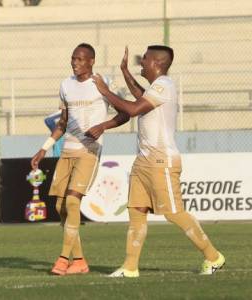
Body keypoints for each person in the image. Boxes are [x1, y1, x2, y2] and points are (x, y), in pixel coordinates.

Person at [91, 45, 225, 278]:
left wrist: (104, 91)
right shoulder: (156, 88)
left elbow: (133, 109)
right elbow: (140, 97)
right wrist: (125, 72)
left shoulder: (165, 85)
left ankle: (213, 256)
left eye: (144, 58)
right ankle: (130, 267)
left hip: (161, 161)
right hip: (143, 160)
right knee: (136, 211)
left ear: (156, 63)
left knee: (174, 213)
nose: (140, 61)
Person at [31, 43, 129, 276]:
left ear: (91, 61)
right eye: (73, 58)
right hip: (67, 151)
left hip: (89, 150)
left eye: (80, 59)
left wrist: (103, 126)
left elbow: (125, 112)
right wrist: (44, 148)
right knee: (60, 206)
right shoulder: (66, 85)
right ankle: (81, 261)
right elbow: (63, 122)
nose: (75, 62)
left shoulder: (101, 83)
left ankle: (63, 258)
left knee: (73, 202)